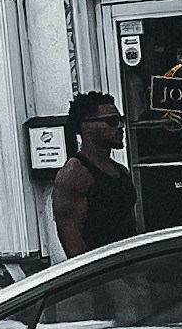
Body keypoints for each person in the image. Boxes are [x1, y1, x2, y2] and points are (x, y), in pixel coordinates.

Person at [52, 88, 138, 258]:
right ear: (86, 126)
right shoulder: (74, 174)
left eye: (120, 120)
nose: (120, 127)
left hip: (128, 267)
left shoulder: (120, 170)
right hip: (102, 274)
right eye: (112, 121)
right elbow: (73, 246)